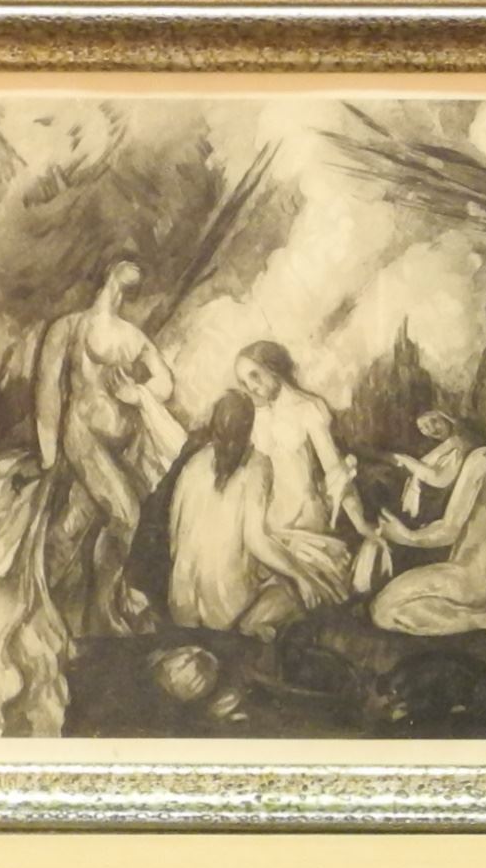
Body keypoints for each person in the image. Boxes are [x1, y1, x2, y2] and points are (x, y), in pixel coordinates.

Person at [33, 260, 185, 629]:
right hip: (84, 436)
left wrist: (138, 392)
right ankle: (103, 612)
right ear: (108, 272)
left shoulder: (134, 336)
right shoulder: (69, 326)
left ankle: (59, 606)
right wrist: (48, 453)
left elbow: (165, 385)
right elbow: (47, 389)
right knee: (126, 515)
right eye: (122, 269)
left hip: (126, 445)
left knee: (77, 520)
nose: (128, 278)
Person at [366, 380, 486, 662]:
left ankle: (485, 619)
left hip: (474, 579)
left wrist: (405, 536)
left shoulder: (483, 460)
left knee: (382, 609)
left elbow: (449, 530)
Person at [165, 390, 353, 636]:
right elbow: (256, 541)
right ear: (249, 427)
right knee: (297, 586)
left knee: (266, 567)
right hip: (226, 610)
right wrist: (301, 576)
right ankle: (251, 625)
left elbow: (174, 533)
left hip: (180, 606)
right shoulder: (256, 464)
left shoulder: (193, 464)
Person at [232, 340, 366, 538]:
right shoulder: (260, 417)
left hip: (304, 522)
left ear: (272, 368)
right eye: (244, 382)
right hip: (269, 522)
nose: (251, 387)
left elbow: (335, 471)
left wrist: (362, 526)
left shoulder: (307, 408)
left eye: (255, 375)